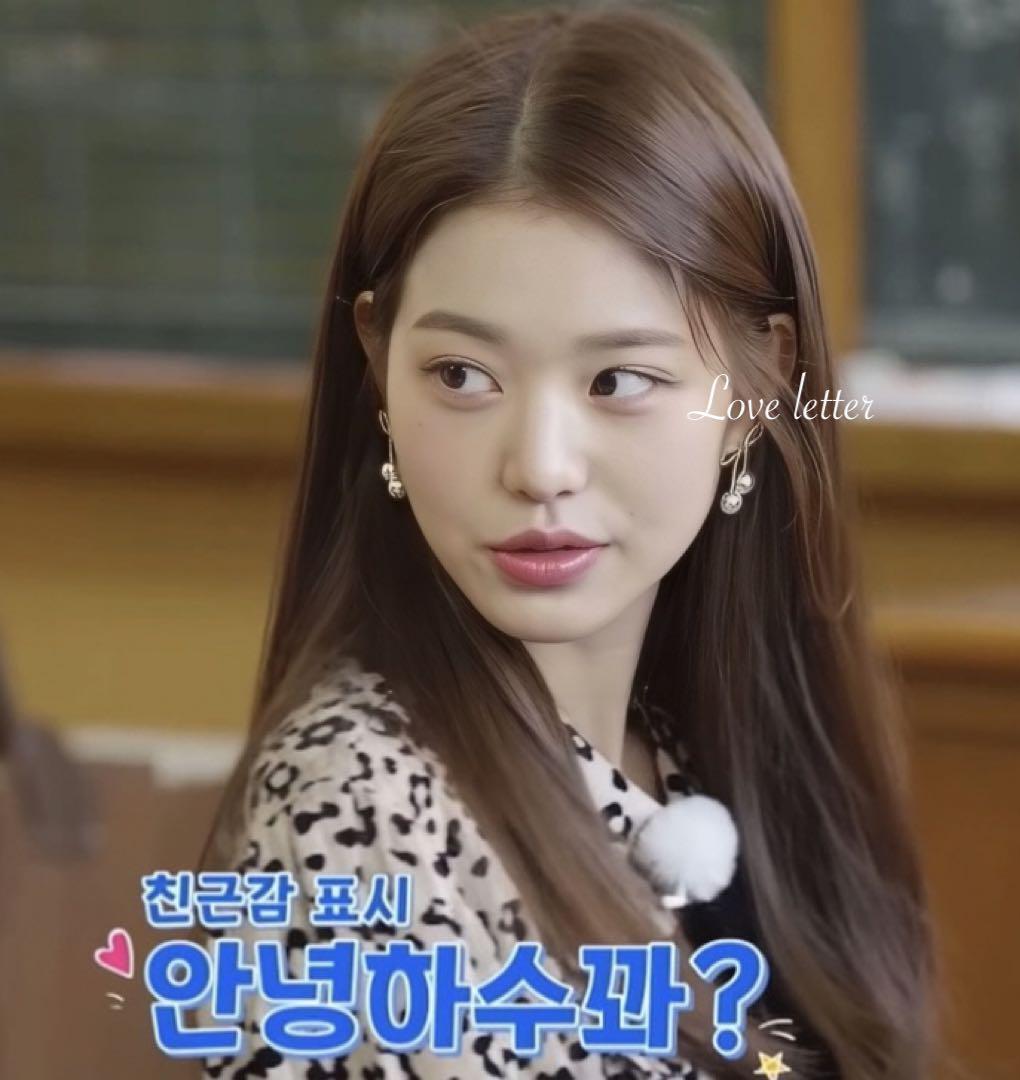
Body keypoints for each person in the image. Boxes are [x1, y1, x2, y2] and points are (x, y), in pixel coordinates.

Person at [194, 5, 940, 1078]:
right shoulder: (358, 809)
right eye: (462, 376)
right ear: (380, 372)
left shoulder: (705, 744)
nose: (540, 466)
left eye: (618, 380)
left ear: (753, 391)